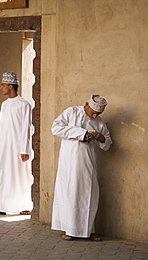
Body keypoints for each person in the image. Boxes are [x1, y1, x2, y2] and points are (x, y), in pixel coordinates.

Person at [51, 95, 112, 241]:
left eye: (98, 114)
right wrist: (81, 133)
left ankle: (87, 231)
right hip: (69, 162)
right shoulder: (71, 112)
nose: (94, 115)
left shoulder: (98, 122)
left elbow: (107, 143)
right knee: (70, 193)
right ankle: (68, 230)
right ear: (86, 104)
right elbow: (56, 128)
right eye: (92, 112)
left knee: (88, 195)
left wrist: (100, 138)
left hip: (87, 163)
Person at [0, 71, 34, 215]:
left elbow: (26, 127)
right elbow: (1, 126)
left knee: (19, 176)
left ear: (11, 86)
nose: (1, 88)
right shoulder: (4, 104)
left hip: (19, 147)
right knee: (2, 175)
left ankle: (23, 206)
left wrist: (24, 149)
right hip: (5, 147)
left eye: (3, 85)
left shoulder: (24, 104)